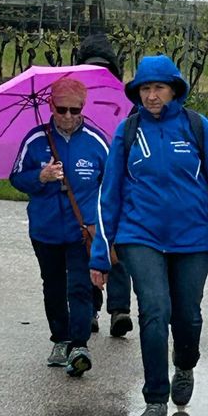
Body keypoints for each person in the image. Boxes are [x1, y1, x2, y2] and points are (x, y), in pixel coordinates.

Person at [90, 55, 208, 416]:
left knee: (187, 316)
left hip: (193, 239)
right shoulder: (127, 132)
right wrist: (100, 254)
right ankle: (155, 398)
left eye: (158, 88)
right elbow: (109, 195)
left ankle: (184, 365)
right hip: (140, 235)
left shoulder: (197, 127)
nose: (152, 96)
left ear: (174, 90)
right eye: (145, 89)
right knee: (154, 310)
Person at [11, 77, 110, 377]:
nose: (67, 116)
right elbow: (16, 177)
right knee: (53, 285)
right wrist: (39, 177)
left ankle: (79, 345)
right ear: (50, 105)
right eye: (61, 109)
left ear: (83, 107)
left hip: (82, 230)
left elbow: (112, 186)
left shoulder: (96, 142)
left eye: (74, 110)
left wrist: (105, 224)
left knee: (79, 286)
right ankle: (60, 339)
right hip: (45, 229)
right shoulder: (34, 140)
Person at [76, 32, 134, 339]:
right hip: (96, 182)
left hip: (112, 181)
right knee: (97, 244)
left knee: (109, 244)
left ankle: (110, 309)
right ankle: (102, 308)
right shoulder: (76, 103)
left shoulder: (127, 104)